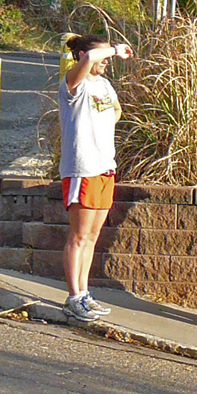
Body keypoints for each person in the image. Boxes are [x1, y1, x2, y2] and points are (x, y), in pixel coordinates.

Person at [59, 34, 133, 322]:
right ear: (82, 55)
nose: (106, 61)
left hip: (105, 167)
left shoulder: (103, 84)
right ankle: (73, 296)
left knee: (92, 237)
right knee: (78, 236)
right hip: (83, 168)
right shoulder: (73, 84)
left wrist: (99, 127)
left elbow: (116, 110)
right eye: (101, 55)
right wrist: (113, 49)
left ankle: (84, 293)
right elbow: (89, 59)